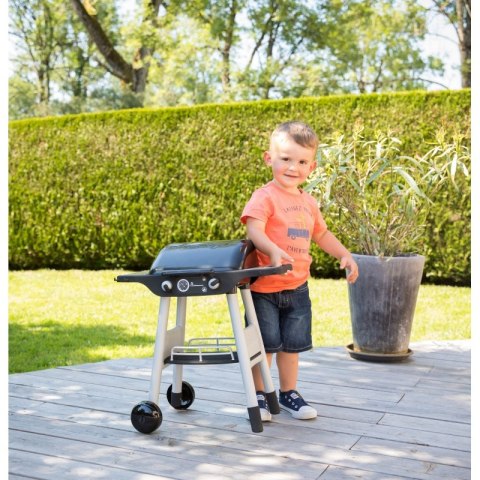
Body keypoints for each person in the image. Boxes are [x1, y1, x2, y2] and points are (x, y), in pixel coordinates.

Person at [240, 120, 359, 421]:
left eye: (302, 162)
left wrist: (344, 254)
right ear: (269, 159)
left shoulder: (308, 202)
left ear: (312, 166)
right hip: (263, 289)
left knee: (291, 347)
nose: (293, 167)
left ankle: (288, 393)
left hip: (297, 288)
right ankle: (260, 395)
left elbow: (322, 234)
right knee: (265, 346)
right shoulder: (264, 196)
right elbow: (254, 229)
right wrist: (271, 250)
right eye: (286, 159)